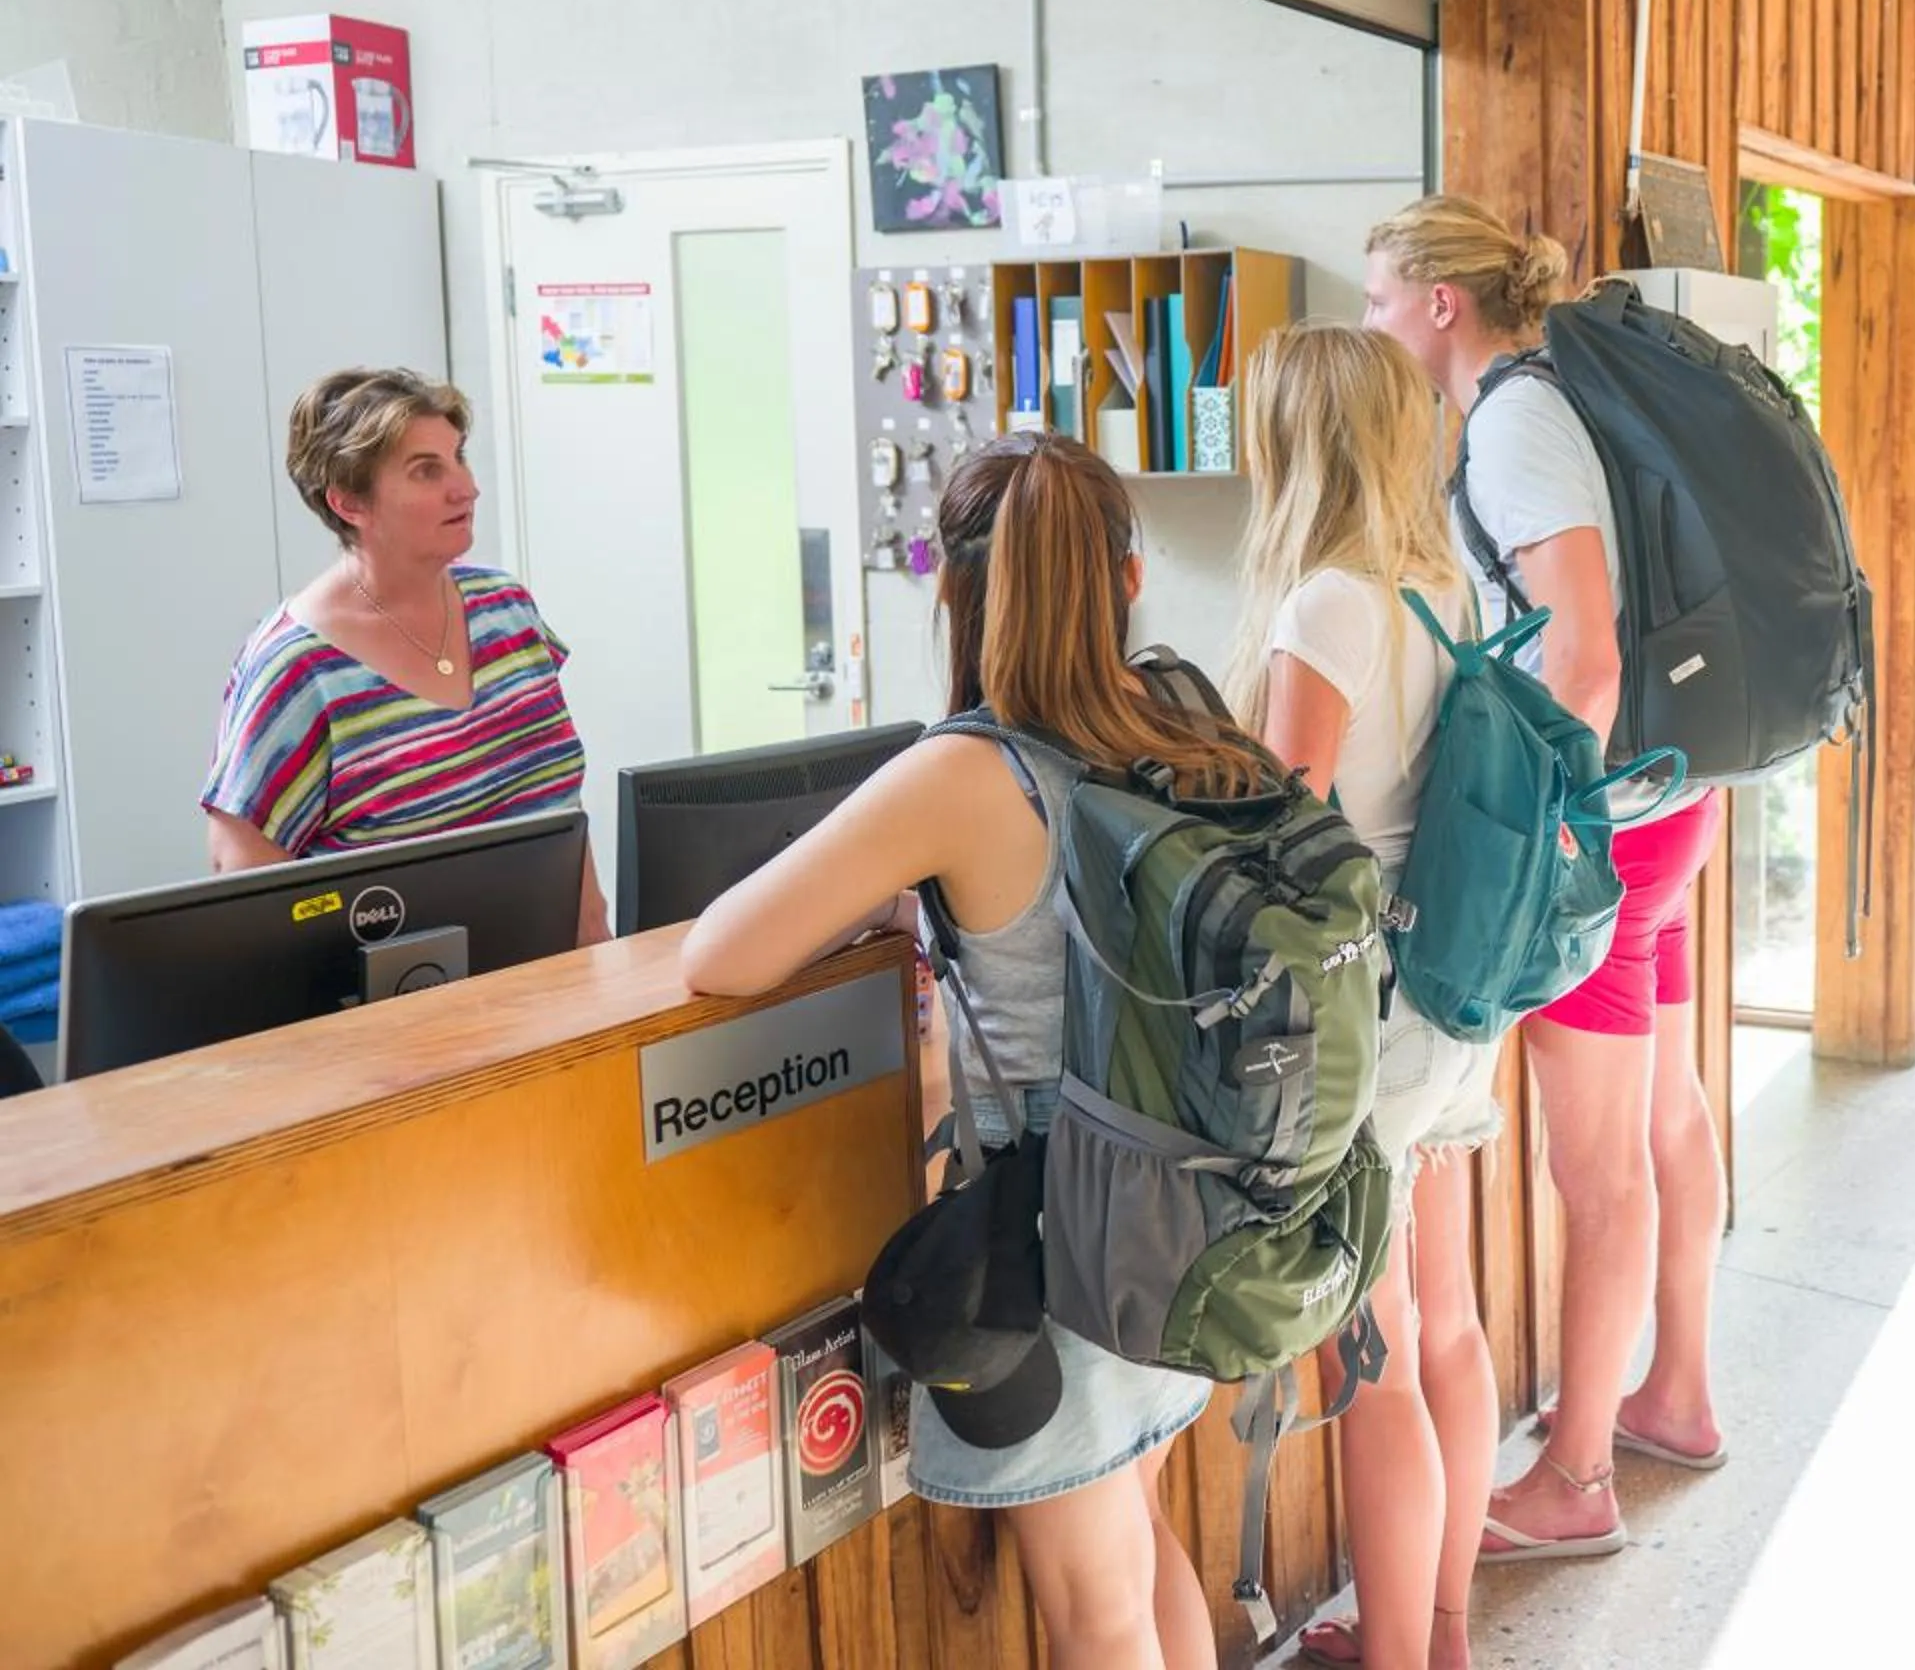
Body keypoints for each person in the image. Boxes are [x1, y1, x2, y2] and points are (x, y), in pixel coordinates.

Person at [682, 432, 1241, 1670]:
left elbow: (717, 952)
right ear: (1129, 581)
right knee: (1147, 1548)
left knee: (1097, 1604)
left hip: (1053, 1228)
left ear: (955, 594)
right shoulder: (1184, 719)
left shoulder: (961, 771)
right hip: (1182, 1205)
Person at [1362, 197, 1731, 1565]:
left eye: (1379, 299)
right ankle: (1674, 1393)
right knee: (1661, 1112)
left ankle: (1577, 1472)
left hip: (1607, 828)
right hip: (1666, 803)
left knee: (1597, 1163)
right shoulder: (1557, 397)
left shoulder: (1513, 423)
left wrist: (1530, 846)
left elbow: (1582, 656)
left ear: (1440, 304)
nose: (1371, 326)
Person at [1223, 320, 1503, 1670]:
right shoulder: (1445, 586)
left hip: (1366, 1023)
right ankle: (1442, 1633)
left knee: (1373, 1350)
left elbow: (1279, 834)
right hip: (1452, 998)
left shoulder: (1327, 602)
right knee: (1444, 1322)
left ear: (1298, 444)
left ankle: (1396, 1655)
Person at [201, 367, 608, 945]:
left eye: (459, 457)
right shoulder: (296, 669)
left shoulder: (506, 610)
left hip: (556, 987)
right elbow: (242, 892)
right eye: (426, 470)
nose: (465, 487)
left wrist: (599, 949)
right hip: (401, 1014)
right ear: (348, 502)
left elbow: (561, 811)